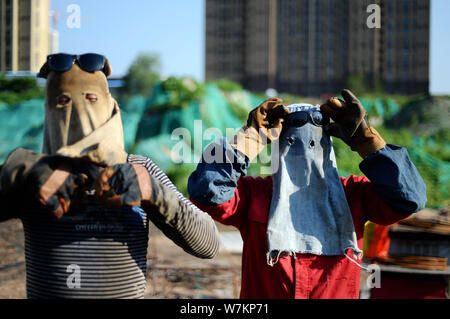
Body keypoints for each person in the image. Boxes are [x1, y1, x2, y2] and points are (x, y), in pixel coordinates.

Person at [0, 53, 220, 299]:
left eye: (91, 99)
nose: (79, 114)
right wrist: (14, 175)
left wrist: (154, 193)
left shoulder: (138, 169)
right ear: (49, 109)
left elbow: (209, 244)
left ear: (109, 106)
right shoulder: (33, 175)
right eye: (63, 101)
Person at [187, 90, 427, 299]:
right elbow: (206, 193)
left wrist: (366, 141)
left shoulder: (353, 194)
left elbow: (409, 199)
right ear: (278, 143)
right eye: (292, 139)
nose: (304, 149)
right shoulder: (255, 194)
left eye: (314, 139)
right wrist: (248, 140)